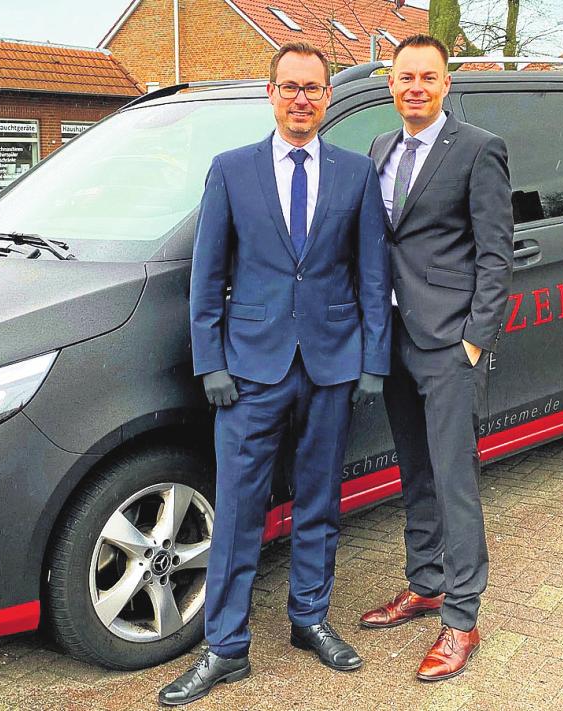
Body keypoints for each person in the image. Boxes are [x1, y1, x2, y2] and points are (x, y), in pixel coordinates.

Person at [159, 42, 391, 706]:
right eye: (289, 87)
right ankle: (225, 647)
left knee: (319, 502)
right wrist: (210, 363)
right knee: (236, 511)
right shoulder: (231, 172)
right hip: (248, 373)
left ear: (325, 98)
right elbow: (206, 280)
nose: (300, 99)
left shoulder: (354, 175)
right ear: (270, 93)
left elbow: (371, 278)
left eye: (312, 89)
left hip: (330, 368)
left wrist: (372, 361)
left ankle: (309, 618)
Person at [358, 34, 513, 682]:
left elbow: (495, 255)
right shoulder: (380, 148)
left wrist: (473, 340)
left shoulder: (477, 149)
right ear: (390, 85)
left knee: (453, 479)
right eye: (404, 77)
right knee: (414, 471)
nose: (415, 86)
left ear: (445, 84)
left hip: (448, 343)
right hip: (394, 339)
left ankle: (462, 617)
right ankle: (423, 583)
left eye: (427, 76)